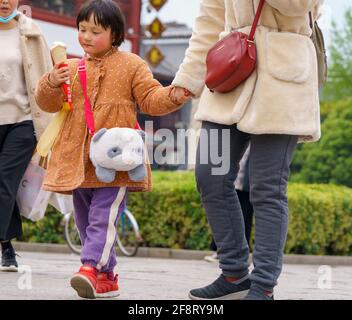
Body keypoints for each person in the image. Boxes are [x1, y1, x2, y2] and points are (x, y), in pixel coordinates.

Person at [35, 0, 190, 299]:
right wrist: (51, 82)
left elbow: (150, 99)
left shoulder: (132, 64)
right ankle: (108, 277)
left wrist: (174, 95)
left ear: (116, 33)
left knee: (102, 217)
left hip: (116, 160)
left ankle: (90, 268)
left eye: (95, 31)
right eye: (82, 30)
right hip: (77, 159)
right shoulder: (68, 66)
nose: (86, 37)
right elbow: (49, 104)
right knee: (83, 220)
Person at [171, 0, 323, 300]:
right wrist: (186, 81)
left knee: (267, 188)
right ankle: (234, 273)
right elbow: (207, 23)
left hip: (283, 83)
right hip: (229, 73)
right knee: (209, 175)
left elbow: (300, 6)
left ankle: (263, 285)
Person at [0, 0, 53, 272]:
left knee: (4, 180)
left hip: (22, 121)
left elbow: (45, 79)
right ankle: (6, 245)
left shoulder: (30, 31)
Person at [204, 147, 253, 263]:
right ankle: (218, 251)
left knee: (245, 220)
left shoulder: (256, 144)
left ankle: (241, 255)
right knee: (223, 216)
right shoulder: (236, 139)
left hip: (247, 188)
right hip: (230, 185)